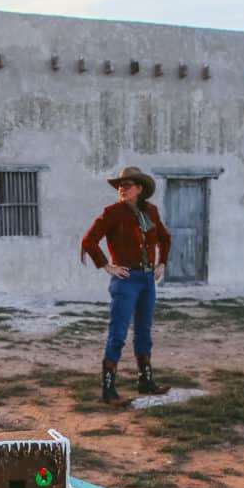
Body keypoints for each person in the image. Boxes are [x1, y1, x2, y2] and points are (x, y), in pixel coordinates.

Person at [81, 166, 172, 405]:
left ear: (139, 189)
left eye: (127, 185)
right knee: (118, 334)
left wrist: (162, 262)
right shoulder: (112, 213)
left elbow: (165, 237)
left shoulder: (150, 211)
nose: (122, 189)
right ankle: (108, 390)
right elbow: (88, 241)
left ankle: (146, 381)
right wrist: (106, 266)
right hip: (126, 280)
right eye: (120, 186)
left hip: (147, 279)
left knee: (144, 331)